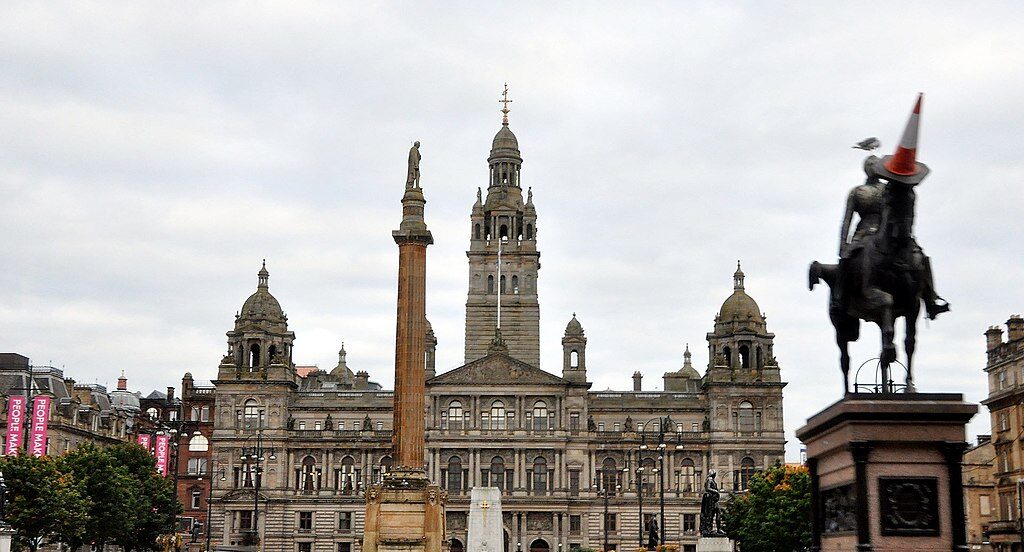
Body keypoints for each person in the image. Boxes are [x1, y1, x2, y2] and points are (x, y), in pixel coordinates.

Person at [839, 155, 948, 319]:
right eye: (870, 165)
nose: (873, 167)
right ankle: (841, 298)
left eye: (875, 165)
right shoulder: (857, 192)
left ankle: (931, 299)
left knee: (921, 257)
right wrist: (843, 245)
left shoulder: (889, 189)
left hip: (891, 232)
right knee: (847, 262)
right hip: (863, 233)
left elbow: (900, 209)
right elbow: (847, 220)